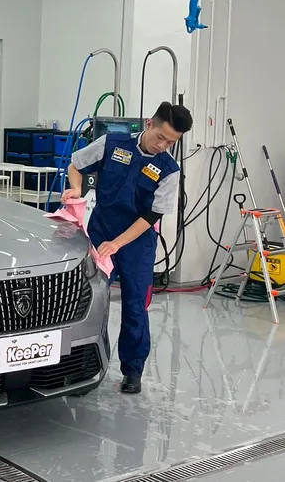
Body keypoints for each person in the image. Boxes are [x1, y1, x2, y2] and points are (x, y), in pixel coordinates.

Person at [62, 102, 193, 394]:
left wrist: (118, 243)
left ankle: (132, 371)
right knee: (89, 301)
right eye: (161, 137)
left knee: (135, 306)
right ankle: (82, 368)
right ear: (149, 124)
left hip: (136, 243)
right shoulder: (112, 144)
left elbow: (152, 216)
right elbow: (75, 166)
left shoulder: (169, 170)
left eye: (171, 143)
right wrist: (76, 189)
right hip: (101, 233)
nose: (163, 146)